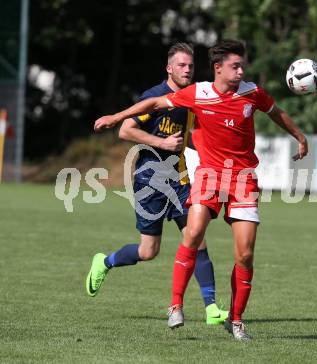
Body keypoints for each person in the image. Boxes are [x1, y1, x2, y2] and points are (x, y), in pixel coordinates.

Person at [94, 40, 308, 340]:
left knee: (245, 255)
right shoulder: (198, 94)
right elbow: (153, 104)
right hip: (205, 176)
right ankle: (176, 306)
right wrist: (116, 117)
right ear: (218, 68)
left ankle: (235, 320)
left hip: (243, 179)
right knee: (190, 235)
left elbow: (276, 112)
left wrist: (300, 137)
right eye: (236, 66)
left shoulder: (252, 93)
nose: (241, 71)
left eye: (243, 66)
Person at [87, 42, 228, 326]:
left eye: (190, 65)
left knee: (197, 238)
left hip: (181, 180)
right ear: (169, 68)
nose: (187, 70)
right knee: (148, 251)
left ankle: (211, 307)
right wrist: (161, 142)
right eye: (182, 65)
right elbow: (126, 130)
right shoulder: (154, 97)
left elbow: (187, 136)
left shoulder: (192, 98)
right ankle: (104, 262)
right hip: (149, 181)